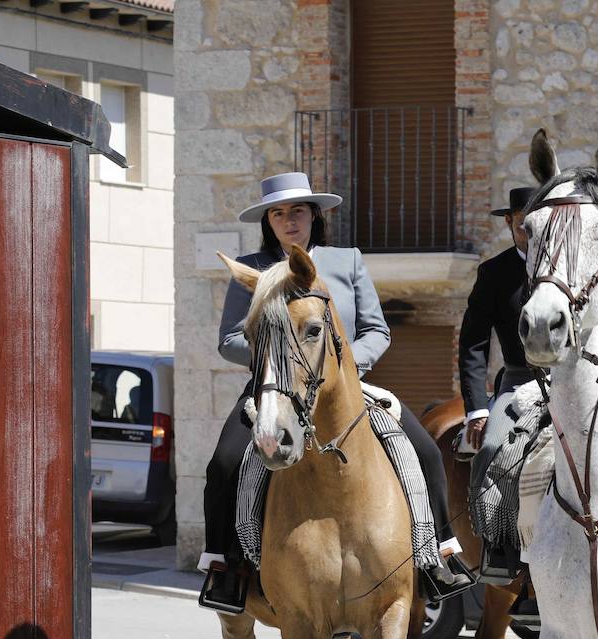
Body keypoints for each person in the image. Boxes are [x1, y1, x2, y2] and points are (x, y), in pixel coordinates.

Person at [199, 172, 472, 612]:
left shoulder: (347, 262)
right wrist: (277, 359)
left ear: (314, 216)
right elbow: (230, 339)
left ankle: (437, 554)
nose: (289, 221)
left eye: (298, 211)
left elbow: (376, 330)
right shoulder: (252, 271)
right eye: (278, 213)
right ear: (268, 220)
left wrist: (344, 364)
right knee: (224, 463)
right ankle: (226, 568)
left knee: (425, 451)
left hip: (346, 384)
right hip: (273, 387)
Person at [459, 185, 537, 582]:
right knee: (492, 447)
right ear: (509, 221)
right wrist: (477, 408)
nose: (529, 227)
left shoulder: (568, 262)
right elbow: (473, 343)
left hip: (575, 380)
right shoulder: (493, 272)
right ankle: (500, 548)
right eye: (522, 220)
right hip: (519, 380)